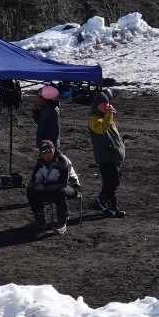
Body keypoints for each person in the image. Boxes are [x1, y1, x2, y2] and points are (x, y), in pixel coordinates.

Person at [87, 88, 128, 217]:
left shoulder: (105, 117)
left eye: (107, 104)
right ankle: (104, 204)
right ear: (97, 105)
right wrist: (109, 115)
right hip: (105, 156)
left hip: (112, 155)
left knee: (113, 181)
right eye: (104, 104)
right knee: (112, 181)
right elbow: (101, 129)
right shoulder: (94, 119)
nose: (106, 106)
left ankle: (110, 206)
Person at [27, 140, 80, 234]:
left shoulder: (62, 160)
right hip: (51, 186)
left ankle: (62, 222)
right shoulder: (40, 162)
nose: (47, 154)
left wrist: (44, 186)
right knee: (31, 190)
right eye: (44, 152)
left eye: (49, 151)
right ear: (40, 153)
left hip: (70, 186)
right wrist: (33, 184)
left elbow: (63, 183)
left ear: (54, 149)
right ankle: (40, 220)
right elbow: (36, 178)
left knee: (60, 191)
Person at [32, 84, 61, 152]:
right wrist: (35, 110)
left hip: (49, 147)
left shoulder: (51, 109)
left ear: (43, 98)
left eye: (37, 97)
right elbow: (38, 121)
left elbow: (55, 129)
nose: (35, 99)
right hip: (46, 145)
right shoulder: (45, 108)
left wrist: (49, 145)